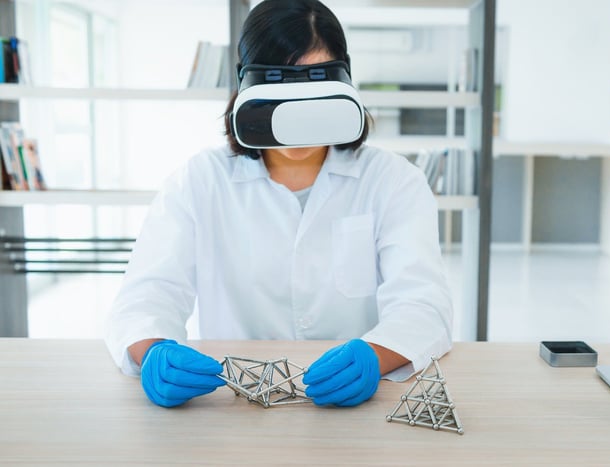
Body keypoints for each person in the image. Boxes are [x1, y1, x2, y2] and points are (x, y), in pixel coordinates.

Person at [105, 0, 453, 409]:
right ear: (246, 88)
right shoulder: (199, 181)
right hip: (233, 408)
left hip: (353, 413)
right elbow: (146, 296)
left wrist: (374, 358)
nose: (298, 119)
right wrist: (155, 352)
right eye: (281, 95)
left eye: (313, 95)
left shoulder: (393, 181)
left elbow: (424, 304)